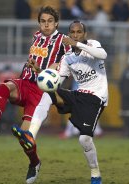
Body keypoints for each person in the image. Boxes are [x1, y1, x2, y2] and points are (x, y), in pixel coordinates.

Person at [0, 6, 71, 184]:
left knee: (24, 137)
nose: (46, 25)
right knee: (4, 87)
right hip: (25, 82)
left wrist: (59, 66)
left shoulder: (63, 40)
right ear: (39, 23)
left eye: (50, 21)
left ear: (56, 23)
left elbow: (72, 58)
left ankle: (34, 163)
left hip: (40, 92)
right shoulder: (36, 36)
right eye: (43, 21)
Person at [22, 20, 107, 184]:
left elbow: (102, 55)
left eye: (79, 32)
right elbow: (55, 81)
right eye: (72, 32)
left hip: (96, 97)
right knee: (48, 92)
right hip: (78, 95)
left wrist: (77, 44)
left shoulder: (93, 45)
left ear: (85, 34)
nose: (75, 35)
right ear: (69, 34)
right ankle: (31, 134)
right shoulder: (67, 58)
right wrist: (40, 71)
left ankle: (95, 173)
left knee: (84, 140)